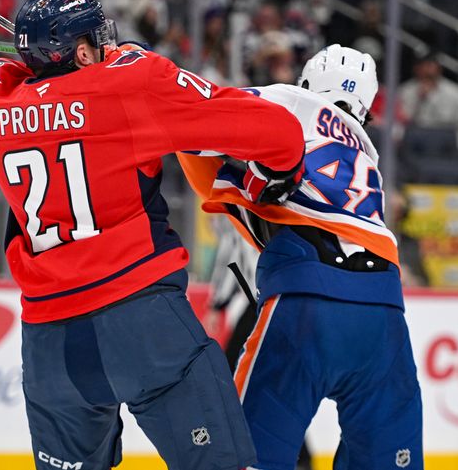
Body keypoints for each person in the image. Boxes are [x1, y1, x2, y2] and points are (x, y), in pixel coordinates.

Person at [0, 0, 306, 470]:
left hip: (50, 344)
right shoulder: (133, 86)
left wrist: (46, 66)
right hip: (142, 322)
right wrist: (131, 65)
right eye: (97, 40)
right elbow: (279, 134)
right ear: (82, 51)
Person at [180, 45, 423, 470]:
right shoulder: (367, 155)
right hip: (383, 312)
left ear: (308, 82)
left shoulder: (291, 103)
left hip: (308, 301)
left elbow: (199, 113)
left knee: (245, 456)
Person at [398, 50, 458, 155]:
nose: (427, 69)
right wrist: (420, 98)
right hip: (415, 144)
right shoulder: (405, 91)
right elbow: (400, 123)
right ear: (416, 69)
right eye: (423, 65)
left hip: (446, 143)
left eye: (431, 65)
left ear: (439, 69)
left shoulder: (455, 92)